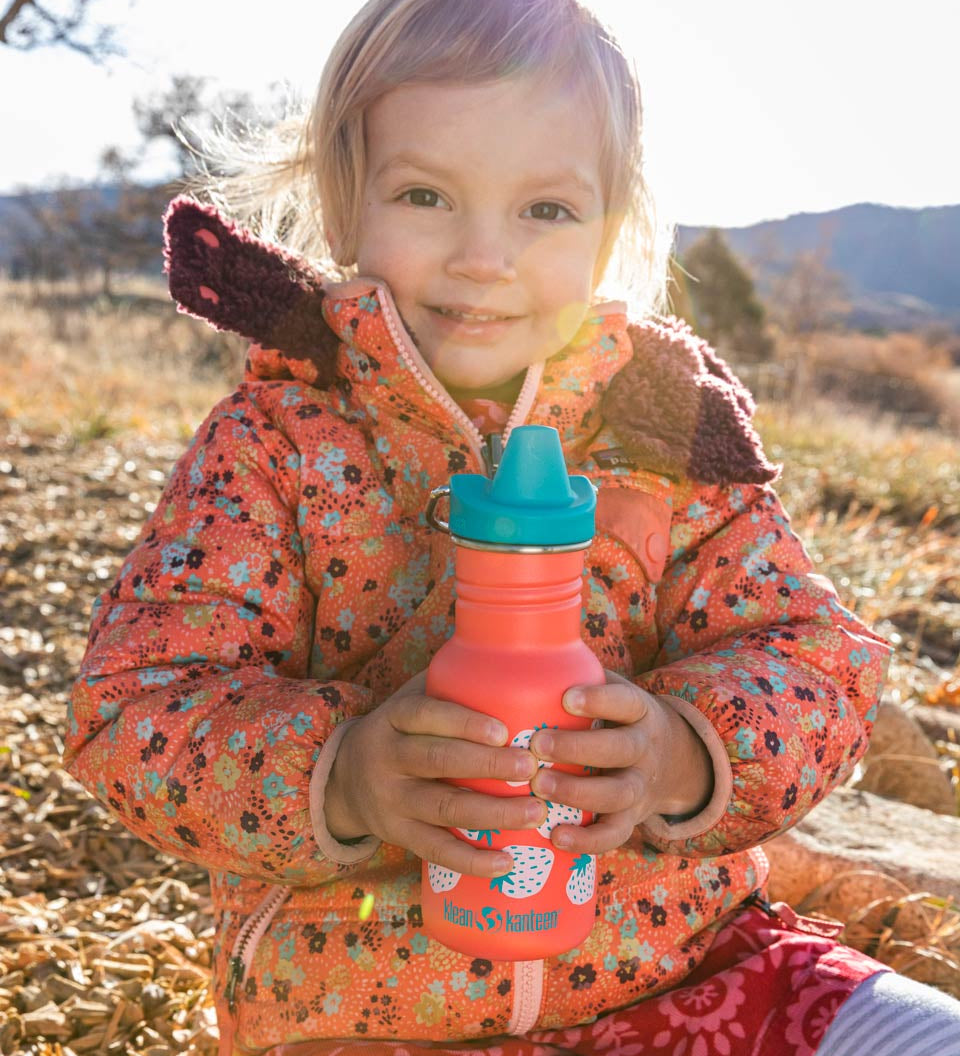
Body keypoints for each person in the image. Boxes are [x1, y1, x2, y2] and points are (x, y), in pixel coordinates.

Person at [63, 1, 960, 1054]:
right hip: (365, 1013)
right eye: (427, 194)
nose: (482, 257)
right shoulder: (279, 443)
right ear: (347, 204)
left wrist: (686, 756)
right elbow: (134, 708)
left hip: (695, 968)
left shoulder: (660, 427)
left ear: (611, 227)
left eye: (545, 210)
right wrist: (343, 772)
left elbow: (820, 659)